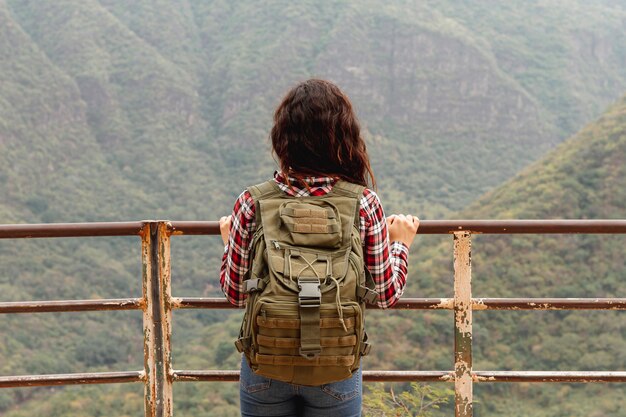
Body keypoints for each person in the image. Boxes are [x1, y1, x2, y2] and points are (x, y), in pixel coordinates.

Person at [219, 79, 419, 417]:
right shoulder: (364, 204)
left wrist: (232, 246)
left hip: (266, 363)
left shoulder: (252, 202)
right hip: (335, 364)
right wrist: (400, 244)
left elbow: (236, 293)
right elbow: (385, 294)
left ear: (283, 139)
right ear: (344, 139)